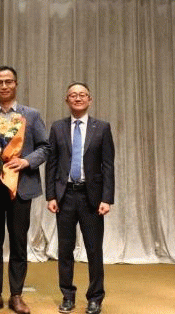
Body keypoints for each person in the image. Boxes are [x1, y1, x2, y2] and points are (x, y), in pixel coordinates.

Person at [0, 66, 49, 314]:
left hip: (21, 187)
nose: (4, 86)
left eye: (8, 81)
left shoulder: (32, 115)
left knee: (18, 242)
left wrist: (26, 161)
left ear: (16, 84)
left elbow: (45, 147)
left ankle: (16, 295)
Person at [45, 82, 115, 314]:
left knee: (94, 250)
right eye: (73, 95)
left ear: (89, 100)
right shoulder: (57, 127)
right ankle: (67, 295)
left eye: (82, 95)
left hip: (91, 197)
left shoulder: (102, 128)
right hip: (65, 196)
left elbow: (108, 166)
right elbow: (52, 164)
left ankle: (95, 297)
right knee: (65, 250)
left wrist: (107, 198)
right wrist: (51, 195)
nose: (77, 98)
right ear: (67, 100)